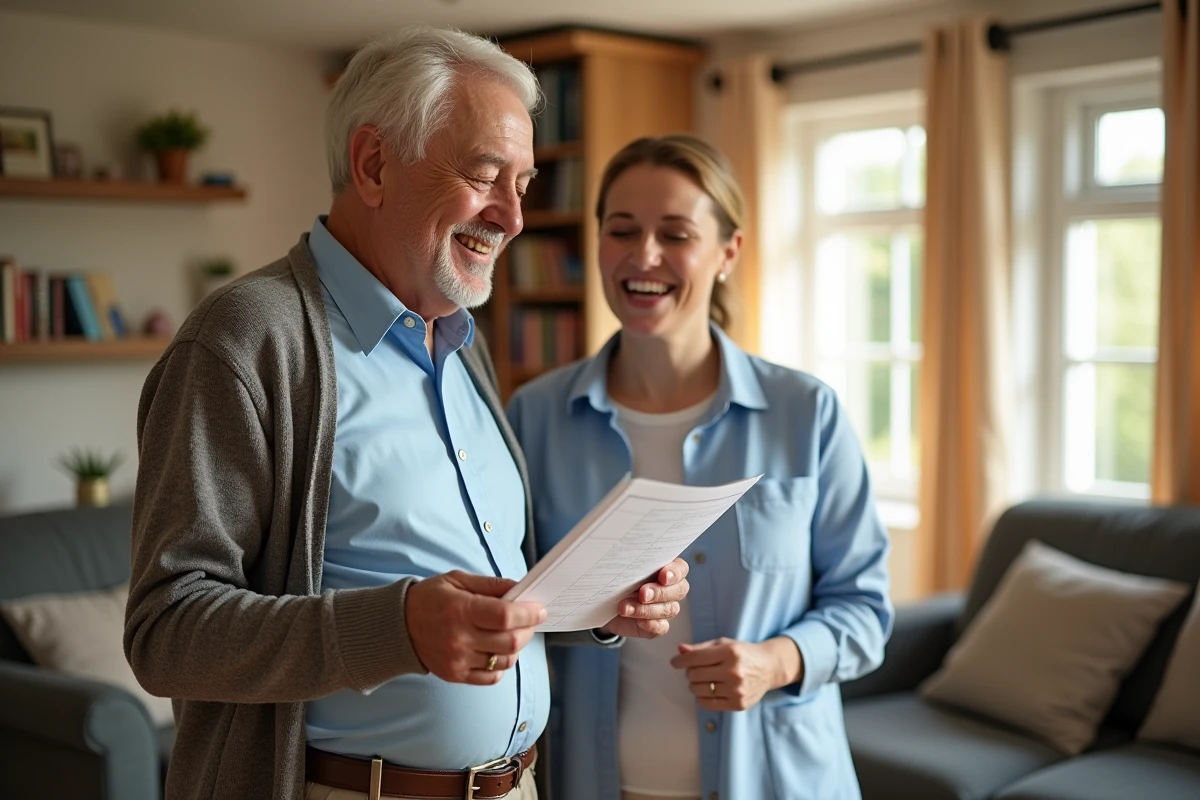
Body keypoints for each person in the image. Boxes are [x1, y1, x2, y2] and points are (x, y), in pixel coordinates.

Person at [124, 28, 688, 800]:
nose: (513, 219)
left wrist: (595, 600)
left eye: (523, 185)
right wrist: (396, 629)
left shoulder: (461, 339)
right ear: (373, 165)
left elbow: (482, 592)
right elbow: (166, 632)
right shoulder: (247, 340)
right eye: (485, 176)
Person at [506, 134, 894, 800]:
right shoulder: (534, 417)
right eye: (621, 230)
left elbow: (865, 610)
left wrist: (777, 661)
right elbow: (509, 606)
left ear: (727, 252)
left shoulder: (806, 413)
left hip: (778, 783)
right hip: (590, 782)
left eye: (675, 234)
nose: (644, 255)